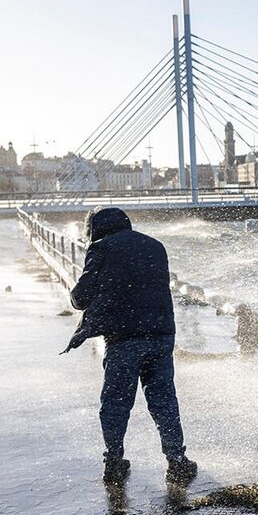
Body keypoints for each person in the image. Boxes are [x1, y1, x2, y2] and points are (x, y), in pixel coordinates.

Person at [64, 206, 197, 484]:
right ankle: (176, 460)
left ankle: (114, 461)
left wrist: (75, 297)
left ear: (95, 228)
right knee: (163, 400)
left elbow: (82, 297)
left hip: (124, 337)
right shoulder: (155, 246)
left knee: (116, 402)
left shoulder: (101, 248)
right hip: (161, 334)